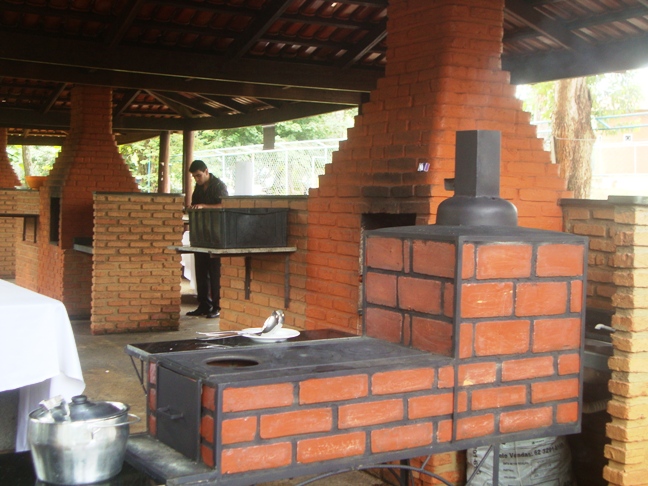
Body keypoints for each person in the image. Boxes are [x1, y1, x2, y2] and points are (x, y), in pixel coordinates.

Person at [186, 160, 228, 318]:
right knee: (201, 271)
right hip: (201, 234)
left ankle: (217, 306)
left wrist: (204, 206)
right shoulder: (197, 188)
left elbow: (225, 206)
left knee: (215, 271)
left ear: (206, 171)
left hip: (216, 235)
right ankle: (204, 304)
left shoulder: (218, 185)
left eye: (198, 176)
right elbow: (196, 204)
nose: (197, 179)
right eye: (194, 177)